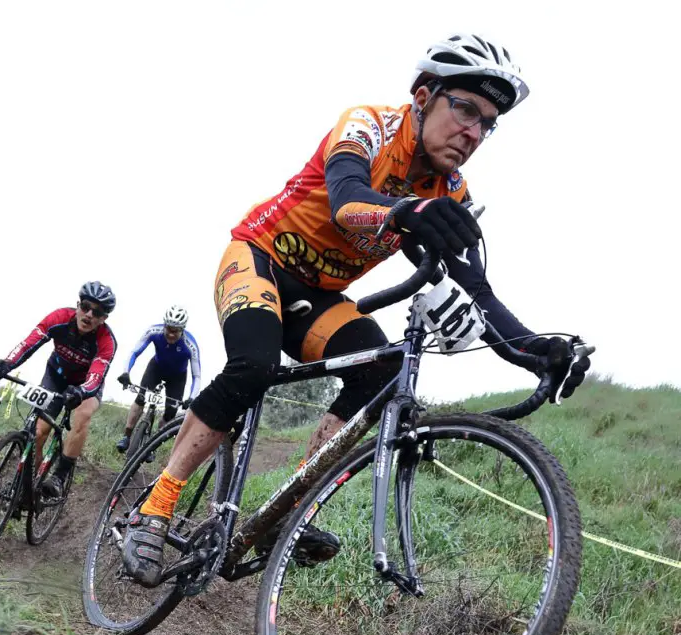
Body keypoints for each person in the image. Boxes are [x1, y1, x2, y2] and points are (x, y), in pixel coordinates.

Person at [122, 33, 592, 587]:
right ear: (422, 96)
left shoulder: (451, 189)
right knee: (253, 363)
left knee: (381, 373)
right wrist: (409, 211)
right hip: (259, 256)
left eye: (488, 123)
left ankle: (285, 509)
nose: (473, 132)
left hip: (316, 296)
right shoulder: (368, 126)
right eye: (464, 108)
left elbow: (478, 293)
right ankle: (155, 504)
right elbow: (347, 201)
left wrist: (534, 351)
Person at [0, 281, 118, 499]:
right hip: (56, 376)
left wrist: (81, 392)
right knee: (37, 432)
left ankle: (59, 476)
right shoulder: (59, 318)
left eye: (97, 312)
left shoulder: (106, 341)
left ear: (103, 318)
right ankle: (25, 484)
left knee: (83, 414)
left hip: (85, 386)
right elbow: (29, 343)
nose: (88, 314)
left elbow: (96, 375)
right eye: (85, 306)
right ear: (78, 305)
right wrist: (5, 364)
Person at [115, 305, 201, 452]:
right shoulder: (154, 331)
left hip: (177, 377)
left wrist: (191, 397)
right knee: (140, 398)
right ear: (164, 325)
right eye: (168, 329)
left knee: (170, 412)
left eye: (175, 331)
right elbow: (135, 352)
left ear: (182, 329)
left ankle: (154, 445)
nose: (171, 334)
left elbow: (196, 375)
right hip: (156, 368)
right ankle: (127, 436)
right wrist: (125, 372)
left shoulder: (190, 345)